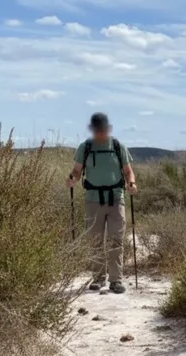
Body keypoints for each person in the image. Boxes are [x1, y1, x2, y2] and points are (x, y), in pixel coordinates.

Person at [66, 113, 138, 294]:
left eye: (102, 129)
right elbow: (76, 170)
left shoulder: (117, 146)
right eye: (97, 130)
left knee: (116, 241)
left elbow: (128, 171)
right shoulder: (86, 147)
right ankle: (98, 278)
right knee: (95, 241)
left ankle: (116, 280)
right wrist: (72, 178)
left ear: (108, 129)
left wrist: (131, 183)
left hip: (115, 198)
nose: (100, 133)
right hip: (92, 199)